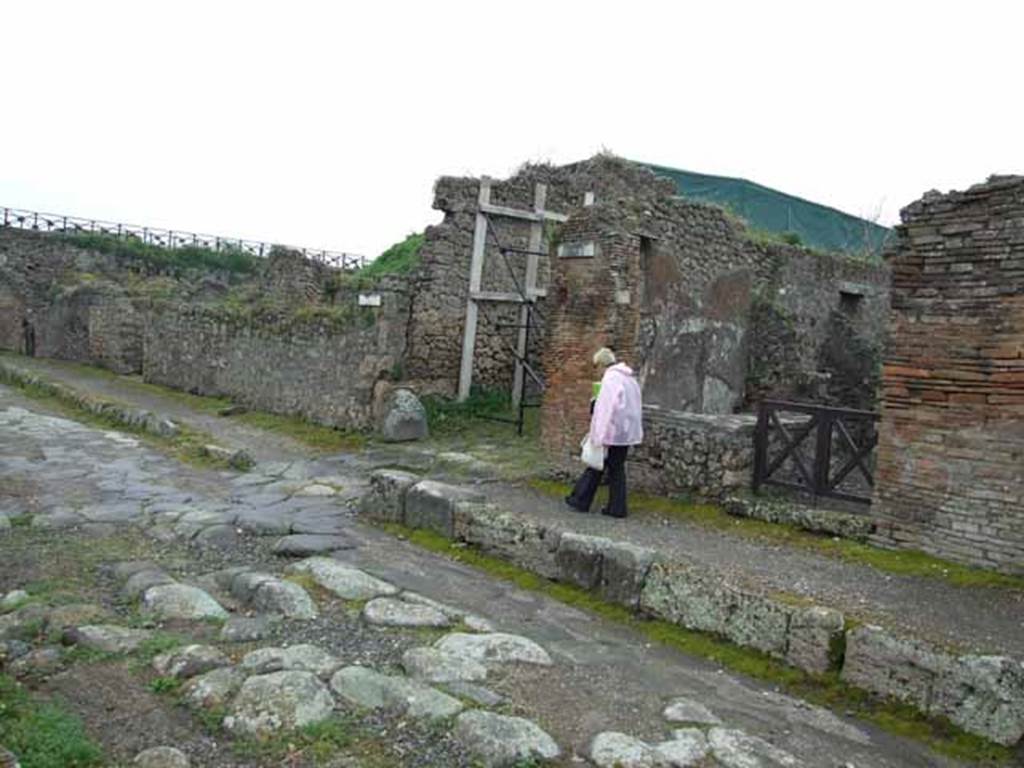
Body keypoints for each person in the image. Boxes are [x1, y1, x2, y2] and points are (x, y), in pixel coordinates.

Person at [565, 347, 643, 518]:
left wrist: (597, 436)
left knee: (597, 466)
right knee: (614, 469)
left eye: (596, 367)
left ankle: (584, 501)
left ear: (601, 364)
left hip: (612, 433)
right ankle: (607, 505)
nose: (597, 372)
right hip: (626, 433)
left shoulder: (611, 379)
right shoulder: (629, 379)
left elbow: (605, 409)